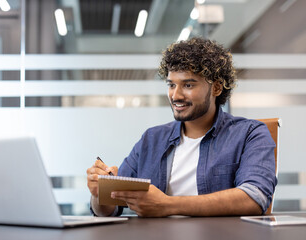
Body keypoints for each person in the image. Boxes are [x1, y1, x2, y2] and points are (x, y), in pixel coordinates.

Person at [86, 37, 277, 217]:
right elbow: (110, 208)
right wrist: (99, 193)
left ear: (217, 88)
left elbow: (255, 197)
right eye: (171, 85)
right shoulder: (151, 139)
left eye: (188, 85)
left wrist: (166, 205)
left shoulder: (250, 134)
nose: (175, 95)